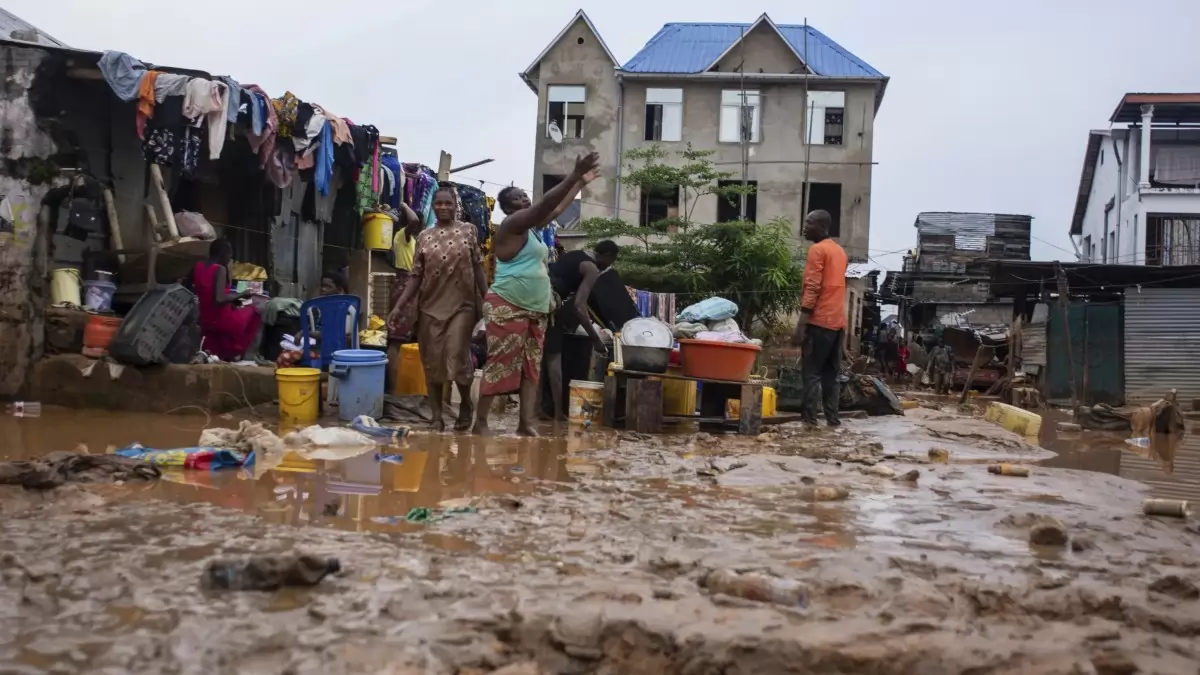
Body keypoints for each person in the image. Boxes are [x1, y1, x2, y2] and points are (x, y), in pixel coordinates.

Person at [474, 151, 601, 436]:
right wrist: (572, 175)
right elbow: (546, 203)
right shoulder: (512, 226)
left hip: (536, 308)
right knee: (501, 364)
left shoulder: (531, 231)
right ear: (508, 209)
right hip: (508, 303)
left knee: (531, 368)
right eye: (518, 198)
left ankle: (525, 423)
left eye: (524, 196)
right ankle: (480, 423)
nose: (525, 200)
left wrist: (579, 183)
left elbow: (554, 211)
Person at [388, 186, 487, 431]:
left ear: (456, 206)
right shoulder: (424, 236)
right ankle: (436, 417)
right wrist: (399, 307)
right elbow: (415, 276)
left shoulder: (468, 231)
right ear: (433, 206)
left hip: (462, 305)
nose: (443, 207)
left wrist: (488, 302)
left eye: (448, 203)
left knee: (456, 355)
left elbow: (477, 269)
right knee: (432, 363)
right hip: (430, 306)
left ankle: (465, 404)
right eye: (439, 203)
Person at [544, 240, 619, 420]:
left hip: (538, 300)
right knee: (554, 360)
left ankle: (540, 408)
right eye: (612, 262)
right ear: (608, 256)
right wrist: (596, 339)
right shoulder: (592, 269)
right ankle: (557, 412)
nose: (608, 267)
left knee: (541, 361)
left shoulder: (574, 254)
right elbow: (579, 305)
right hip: (548, 307)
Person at [791, 210, 848, 428]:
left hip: (818, 322)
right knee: (831, 375)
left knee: (812, 373)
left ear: (822, 226)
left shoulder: (818, 250)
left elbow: (813, 287)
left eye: (809, 222)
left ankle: (809, 422)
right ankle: (833, 421)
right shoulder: (840, 252)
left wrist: (800, 325)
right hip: (837, 324)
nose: (805, 226)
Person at [191, 238, 262, 362]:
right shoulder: (220, 269)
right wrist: (242, 293)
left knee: (238, 309)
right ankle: (246, 355)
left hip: (205, 320)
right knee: (255, 311)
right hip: (221, 320)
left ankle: (224, 353)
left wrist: (233, 299)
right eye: (229, 256)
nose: (229, 260)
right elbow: (219, 299)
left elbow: (206, 291)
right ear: (223, 255)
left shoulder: (198, 266)